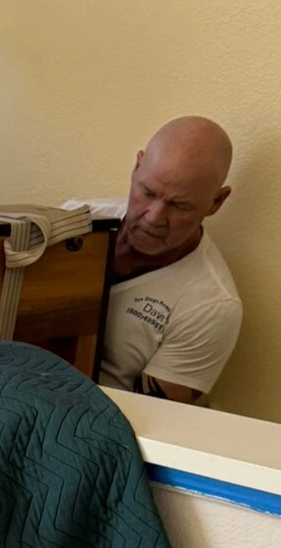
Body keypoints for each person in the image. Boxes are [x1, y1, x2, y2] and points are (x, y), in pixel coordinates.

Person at [69, 116, 242, 403]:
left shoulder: (212, 306)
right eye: (147, 193)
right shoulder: (76, 220)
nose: (153, 217)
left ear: (216, 202)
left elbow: (155, 422)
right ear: (137, 167)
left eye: (178, 205)